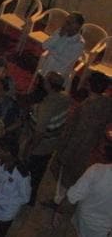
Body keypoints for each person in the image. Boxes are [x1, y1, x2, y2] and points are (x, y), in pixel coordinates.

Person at [52, 72, 112, 207]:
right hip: (91, 147)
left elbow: (75, 132)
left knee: (66, 176)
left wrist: (64, 150)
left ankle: (60, 202)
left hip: (77, 147)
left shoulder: (86, 107)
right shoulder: (107, 103)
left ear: (90, 85)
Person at [23, 71, 70, 206]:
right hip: (51, 144)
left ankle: (26, 197)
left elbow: (39, 133)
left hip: (40, 146)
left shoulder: (46, 106)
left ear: (49, 85)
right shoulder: (64, 98)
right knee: (39, 173)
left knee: (29, 173)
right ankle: (31, 197)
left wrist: (29, 149)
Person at [53, 144, 112, 237]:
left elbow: (72, 196)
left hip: (83, 220)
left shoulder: (97, 170)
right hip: (103, 230)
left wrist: (59, 211)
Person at [37, 12, 85, 78]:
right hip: (48, 64)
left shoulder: (79, 43)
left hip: (60, 72)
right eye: (66, 21)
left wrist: (51, 51)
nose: (65, 25)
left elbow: (64, 61)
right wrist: (58, 36)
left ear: (77, 26)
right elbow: (44, 45)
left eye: (69, 23)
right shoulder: (60, 32)